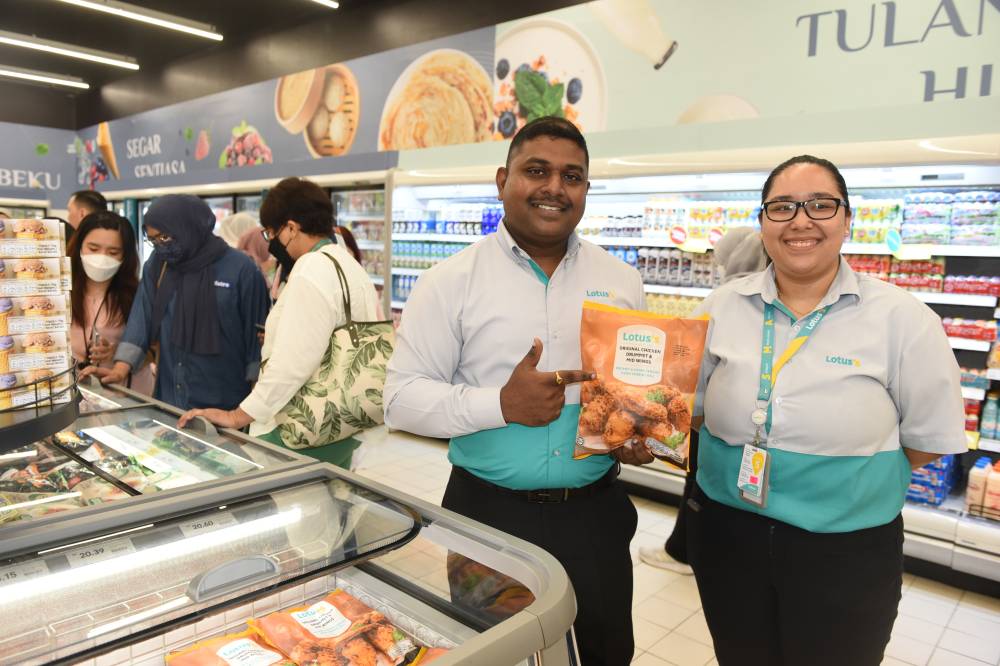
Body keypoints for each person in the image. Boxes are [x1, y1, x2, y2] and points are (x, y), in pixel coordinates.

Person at [384, 117, 651, 666]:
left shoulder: (622, 280)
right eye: (537, 171)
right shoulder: (450, 281)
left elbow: (629, 392)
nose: (555, 187)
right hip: (488, 518)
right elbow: (400, 400)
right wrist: (500, 405)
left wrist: (637, 432)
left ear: (586, 191)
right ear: (502, 179)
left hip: (595, 514)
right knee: (498, 656)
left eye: (572, 176)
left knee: (605, 652)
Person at [686, 155, 965, 666]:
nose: (800, 220)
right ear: (762, 221)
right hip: (730, 536)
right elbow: (693, 412)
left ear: (846, 219)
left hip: (847, 550)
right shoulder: (719, 308)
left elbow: (925, 441)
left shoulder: (903, 320)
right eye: (782, 207)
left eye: (820, 205)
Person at [178, 177, 380, 469]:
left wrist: (239, 415)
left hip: (300, 428)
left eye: (271, 232)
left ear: (291, 227)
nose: (271, 241)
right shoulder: (347, 264)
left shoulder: (310, 269)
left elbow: (292, 363)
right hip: (342, 421)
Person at [640, 227, 769, 574]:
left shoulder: (722, 300)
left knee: (699, 483)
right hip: (757, 435)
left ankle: (686, 552)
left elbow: (682, 368)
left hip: (709, 423)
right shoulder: (768, 297)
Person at [85, 195, 270, 411]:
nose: (160, 246)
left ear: (189, 228)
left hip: (226, 403)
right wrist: (119, 369)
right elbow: (141, 319)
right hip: (170, 399)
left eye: (164, 237)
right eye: (153, 240)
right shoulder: (158, 265)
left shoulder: (240, 269)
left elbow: (256, 342)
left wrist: (250, 409)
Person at [68, 211, 154, 394]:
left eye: (113, 252)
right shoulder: (61, 292)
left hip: (128, 396)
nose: (102, 257)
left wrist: (120, 352)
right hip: (76, 395)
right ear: (79, 246)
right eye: (93, 248)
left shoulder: (138, 295)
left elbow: (155, 353)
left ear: (125, 256)